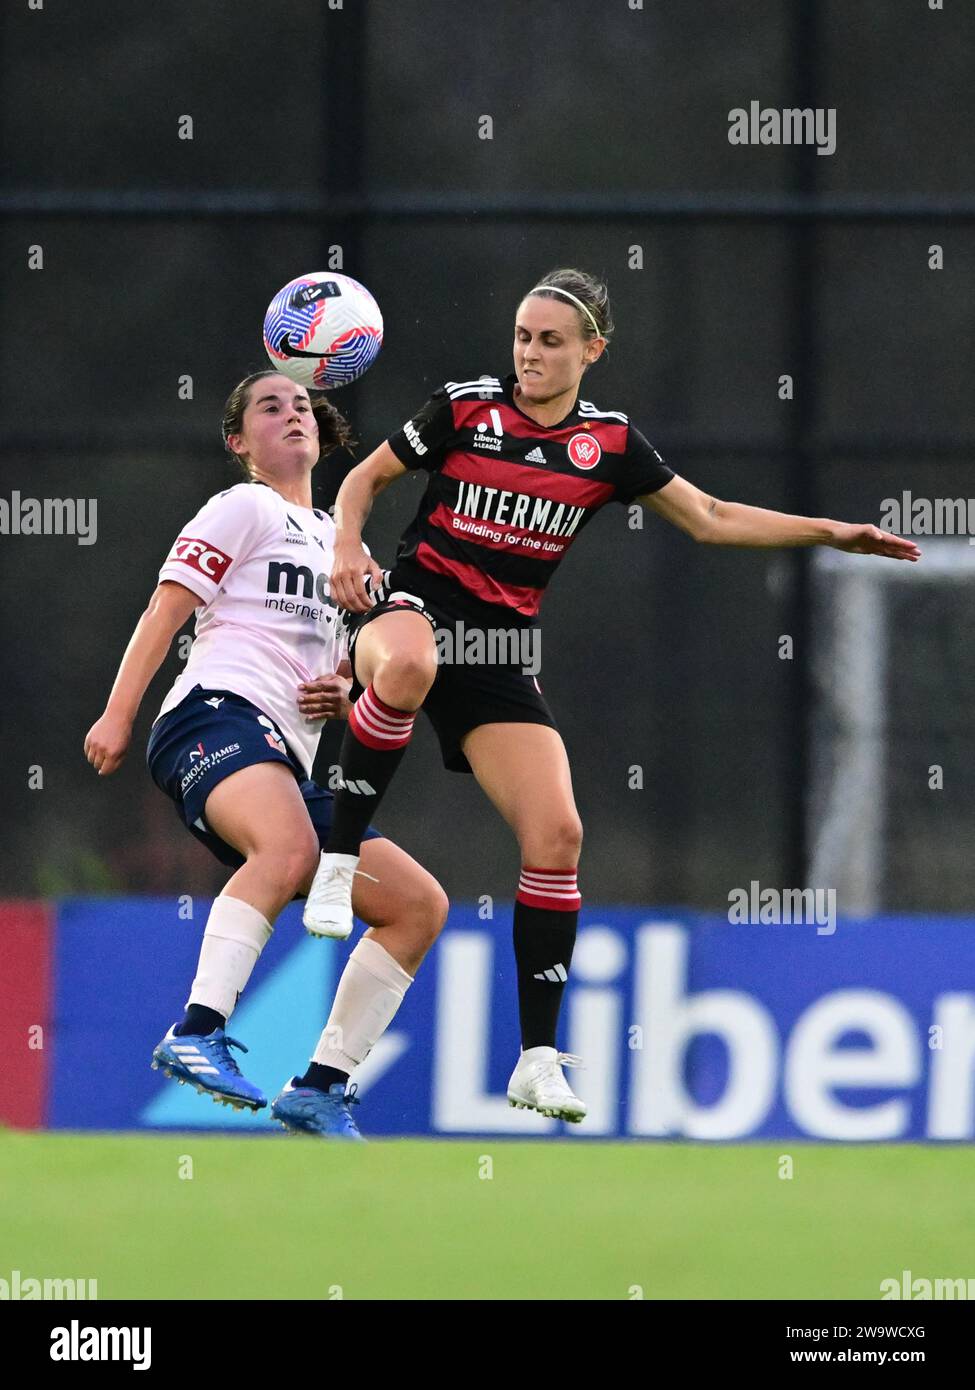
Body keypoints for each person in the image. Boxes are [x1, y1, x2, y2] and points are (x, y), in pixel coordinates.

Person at [301, 266, 922, 1125]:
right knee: (405, 671)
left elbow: (709, 517)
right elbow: (360, 481)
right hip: (410, 612)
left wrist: (831, 532)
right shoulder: (464, 408)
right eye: (522, 337)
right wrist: (345, 547)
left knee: (558, 836)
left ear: (592, 351)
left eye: (551, 342)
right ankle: (338, 864)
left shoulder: (611, 446)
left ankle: (534, 1060)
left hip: (499, 653)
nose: (530, 355)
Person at [83, 370, 449, 1141]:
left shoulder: (343, 547)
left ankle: (321, 1085)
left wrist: (345, 691)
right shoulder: (242, 507)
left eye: (301, 407)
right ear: (238, 442)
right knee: (285, 850)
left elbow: (364, 669)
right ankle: (195, 1029)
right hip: (210, 717)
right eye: (268, 407)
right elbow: (165, 610)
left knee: (417, 907)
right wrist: (118, 714)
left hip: (285, 757)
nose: (292, 416)